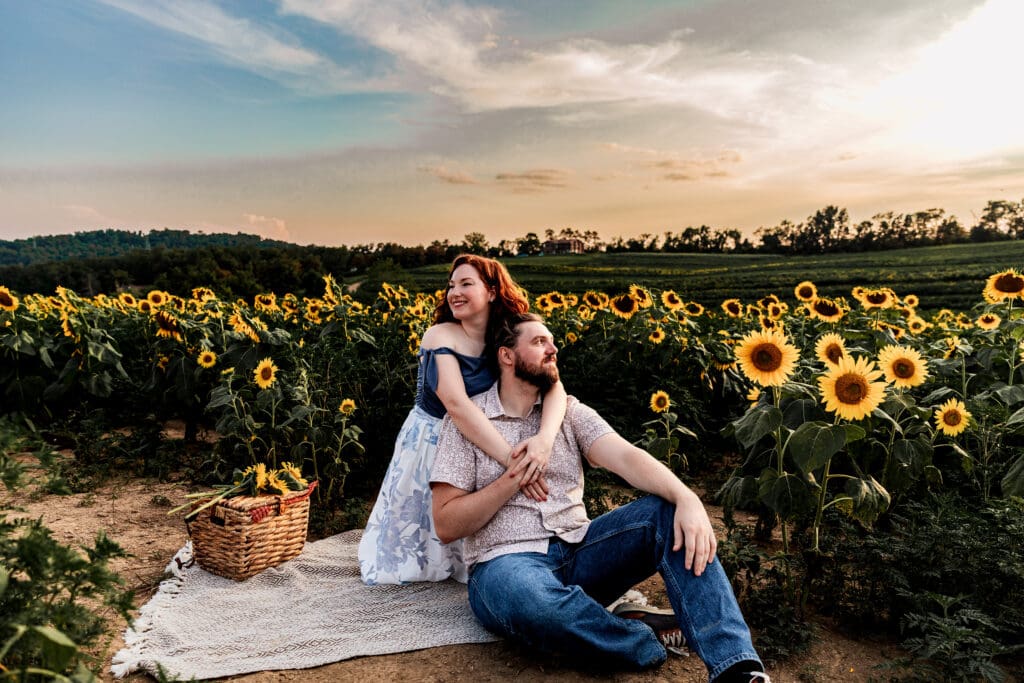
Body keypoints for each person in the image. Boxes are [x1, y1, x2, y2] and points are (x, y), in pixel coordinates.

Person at [430, 313, 768, 683]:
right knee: (535, 605)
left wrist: (687, 498)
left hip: (580, 548)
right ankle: (640, 638)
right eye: (539, 341)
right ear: (507, 356)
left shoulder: (568, 412)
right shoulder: (467, 423)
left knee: (667, 513)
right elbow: (446, 524)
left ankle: (736, 667)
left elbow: (625, 456)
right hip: (505, 564)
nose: (553, 348)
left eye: (552, 340)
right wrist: (513, 478)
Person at [359, 256, 567, 585]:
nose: (454, 292)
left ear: (493, 291)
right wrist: (516, 465)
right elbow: (457, 406)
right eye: (451, 285)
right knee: (425, 543)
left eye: (466, 284)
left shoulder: (508, 336)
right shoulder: (439, 335)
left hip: (485, 439)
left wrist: (543, 442)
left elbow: (554, 388)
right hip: (435, 438)